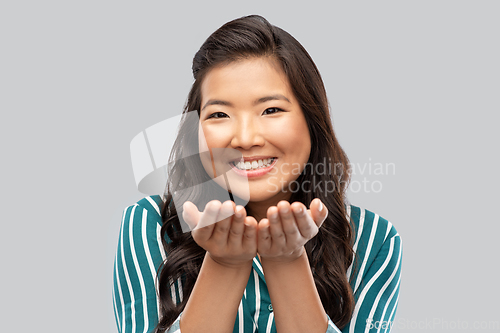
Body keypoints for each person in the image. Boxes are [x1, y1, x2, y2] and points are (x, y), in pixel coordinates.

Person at [113, 15, 402, 333]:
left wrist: (287, 261)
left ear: (312, 121)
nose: (246, 138)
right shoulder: (151, 224)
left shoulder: (373, 239)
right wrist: (225, 264)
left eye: (271, 110)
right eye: (219, 114)